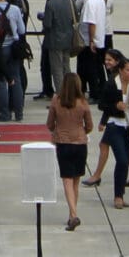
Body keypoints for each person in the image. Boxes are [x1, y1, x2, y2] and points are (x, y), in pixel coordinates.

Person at [89, 51, 129, 208]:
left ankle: (120, 194)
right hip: (114, 125)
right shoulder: (112, 84)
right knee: (122, 159)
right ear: (120, 70)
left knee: (124, 161)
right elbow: (102, 105)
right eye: (128, 70)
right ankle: (117, 197)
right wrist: (115, 106)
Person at [45, 72, 92, 232]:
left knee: (66, 180)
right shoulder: (83, 102)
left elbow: (50, 124)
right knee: (76, 180)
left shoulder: (57, 101)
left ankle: (73, 215)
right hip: (80, 143)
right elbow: (90, 126)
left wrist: (58, 129)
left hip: (63, 143)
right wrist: (82, 131)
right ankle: (73, 213)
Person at [38, 0, 74, 101]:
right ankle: (70, 93)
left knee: (57, 69)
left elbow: (48, 24)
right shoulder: (69, 0)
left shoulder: (51, 2)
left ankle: (61, 97)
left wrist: (42, 17)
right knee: (66, 67)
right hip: (68, 39)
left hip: (54, 40)